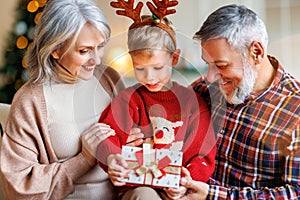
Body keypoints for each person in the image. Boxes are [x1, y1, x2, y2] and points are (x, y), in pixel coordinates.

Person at [0, 0, 129, 199]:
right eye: (84, 51)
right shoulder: (30, 100)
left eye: (100, 46)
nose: (96, 59)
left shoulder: (109, 78)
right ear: (56, 49)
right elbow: (18, 187)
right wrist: (84, 159)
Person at [178, 4, 300, 199]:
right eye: (208, 65)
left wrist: (214, 195)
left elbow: (295, 193)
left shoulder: (295, 111)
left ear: (256, 53)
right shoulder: (203, 91)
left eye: (220, 65)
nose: (209, 77)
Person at [97, 1, 216, 199]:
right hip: (138, 186)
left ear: (175, 58)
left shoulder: (192, 104)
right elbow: (107, 137)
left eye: (158, 68)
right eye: (140, 68)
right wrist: (113, 159)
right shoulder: (128, 100)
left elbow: (203, 153)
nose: (149, 77)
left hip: (178, 187)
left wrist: (187, 180)